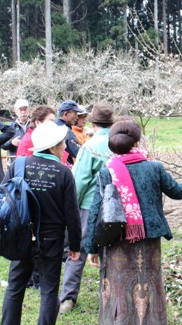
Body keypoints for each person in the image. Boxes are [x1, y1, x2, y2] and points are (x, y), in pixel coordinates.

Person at [83, 120, 182, 324]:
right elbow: (178, 192)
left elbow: (96, 211)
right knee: (149, 286)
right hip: (148, 242)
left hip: (116, 239)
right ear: (137, 143)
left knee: (119, 287)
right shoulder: (154, 167)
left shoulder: (108, 171)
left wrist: (91, 248)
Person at [1, 121, 81, 325]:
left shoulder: (18, 164)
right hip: (51, 239)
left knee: (15, 286)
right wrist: (74, 245)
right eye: (62, 142)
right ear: (53, 147)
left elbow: (3, 199)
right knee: (49, 289)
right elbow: (72, 213)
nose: (65, 145)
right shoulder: (64, 173)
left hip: (21, 236)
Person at [59, 102, 114, 313]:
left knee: (77, 250)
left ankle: (68, 299)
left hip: (89, 206)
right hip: (115, 207)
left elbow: (79, 181)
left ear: (93, 122)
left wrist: (71, 207)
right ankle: (109, 295)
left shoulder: (89, 147)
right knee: (111, 250)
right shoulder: (121, 143)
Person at [55, 100, 86, 165]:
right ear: (66, 114)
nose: (77, 118)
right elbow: (80, 153)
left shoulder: (53, 124)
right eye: (75, 114)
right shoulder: (65, 131)